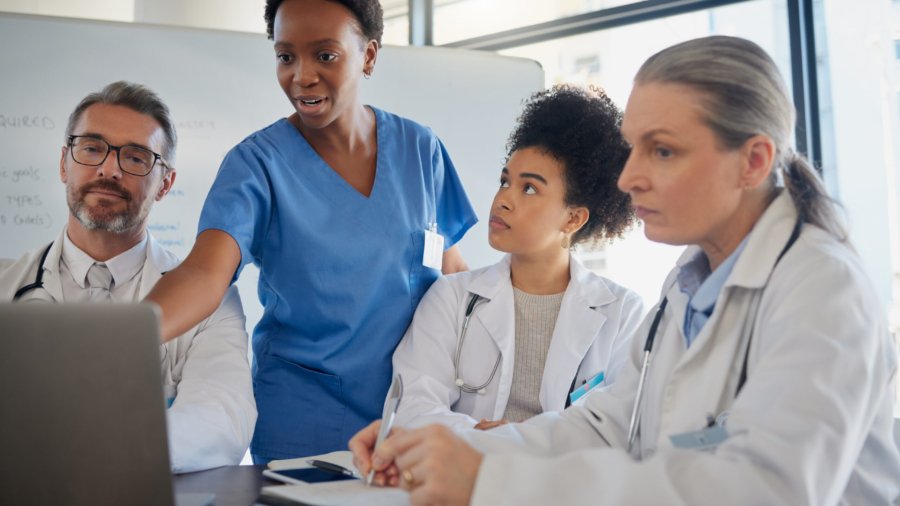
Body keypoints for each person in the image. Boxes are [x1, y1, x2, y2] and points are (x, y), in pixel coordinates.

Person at [349, 36, 900, 505]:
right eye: (633, 148)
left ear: (753, 161)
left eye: (661, 151)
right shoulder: (689, 287)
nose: (630, 176)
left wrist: (491, 479)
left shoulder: (821, 290)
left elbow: (760, 489)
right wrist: (442, 453)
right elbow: (605, 425)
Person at [144, 0, 477, 463]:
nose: (301, 76)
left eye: (325, 55)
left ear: (369, 55)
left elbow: (453, 276)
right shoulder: (256, 165)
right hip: (303, 416)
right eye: (286, 56)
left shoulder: (422, 150)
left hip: (412, 414)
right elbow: (204, 274)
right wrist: (119, 337)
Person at [0, 81, 256, 474]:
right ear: (64, 163)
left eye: (136, 159)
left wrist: (99, 448)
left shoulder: (211, 299)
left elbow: (222, 418)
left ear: (165, 184)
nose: (109, 169)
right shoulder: (6, 287)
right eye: (91, 148)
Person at [392, 85, 643, 432]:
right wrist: (491, 440)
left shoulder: (623, 312)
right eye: (504, 181)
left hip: (564, 483)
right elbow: (411, 408)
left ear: (573, 219)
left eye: (529, 188)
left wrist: (514, 439)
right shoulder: (450, 298)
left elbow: (622, 426)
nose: (503, 199)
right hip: (465, 477)